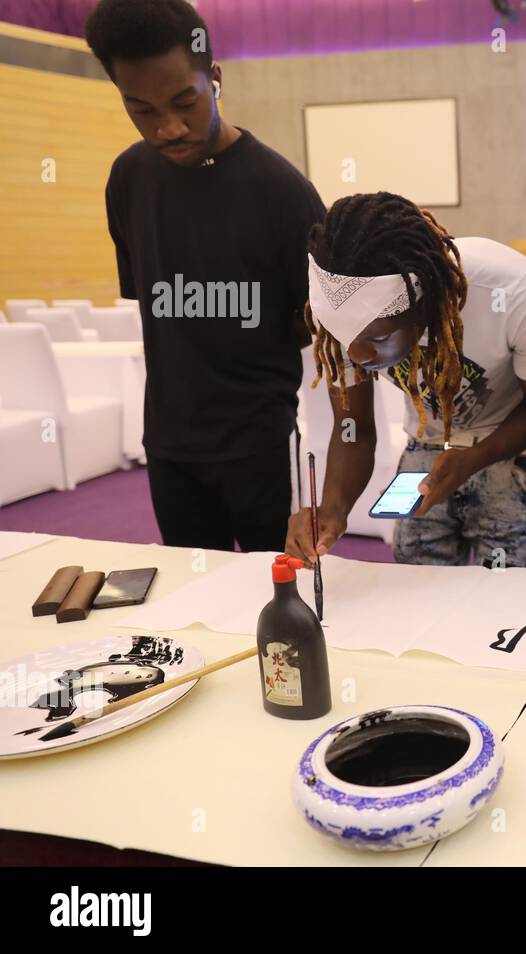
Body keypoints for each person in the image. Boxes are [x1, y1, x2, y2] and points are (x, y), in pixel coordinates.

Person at [89, 0, 324, 551]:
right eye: (141, 109)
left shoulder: (283, 193)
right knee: (193, 609)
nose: (168, 127)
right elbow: (151, 302)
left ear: (213, 79)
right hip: (169, 447)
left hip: (259, 445)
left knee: (276, 600)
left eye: (184, 102)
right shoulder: (128, 178)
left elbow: (319, 325)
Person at [284, 192, 526, 569]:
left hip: (507, 443)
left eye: (378, 339)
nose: (358, 356)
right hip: (426, 440)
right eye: (345, 339)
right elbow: (354, 428)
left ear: (422, 304)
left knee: (504, 594)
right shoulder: (340, 315)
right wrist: (332, 510)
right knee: (413, 590)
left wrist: (473, 460)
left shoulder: (518, 293)